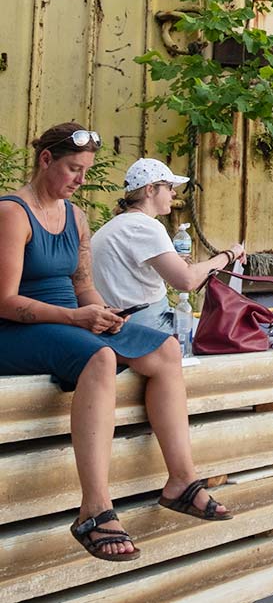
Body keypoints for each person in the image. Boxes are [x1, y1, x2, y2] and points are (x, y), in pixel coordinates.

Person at [0, 124, 230, 563]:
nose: (80, 179)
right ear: (45, 160)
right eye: (72, 168)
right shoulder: (12, 212)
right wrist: (77, 318)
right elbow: (6, 301)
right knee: (100, 357)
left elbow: (83, 287)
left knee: (163, 350)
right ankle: (94, 509)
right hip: (16, 329)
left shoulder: (76, 217)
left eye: (85, 170)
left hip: (70, 321)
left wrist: (101, 313)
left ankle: (181, 481)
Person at [92, 158, 246, 333]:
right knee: (229, 336)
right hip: (149, 327)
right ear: (150, 189)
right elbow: (187, 281)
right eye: (170, 187)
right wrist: (230, 254)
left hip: (118, 326)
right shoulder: (146, 226)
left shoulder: (115, 225)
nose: (174, 193)